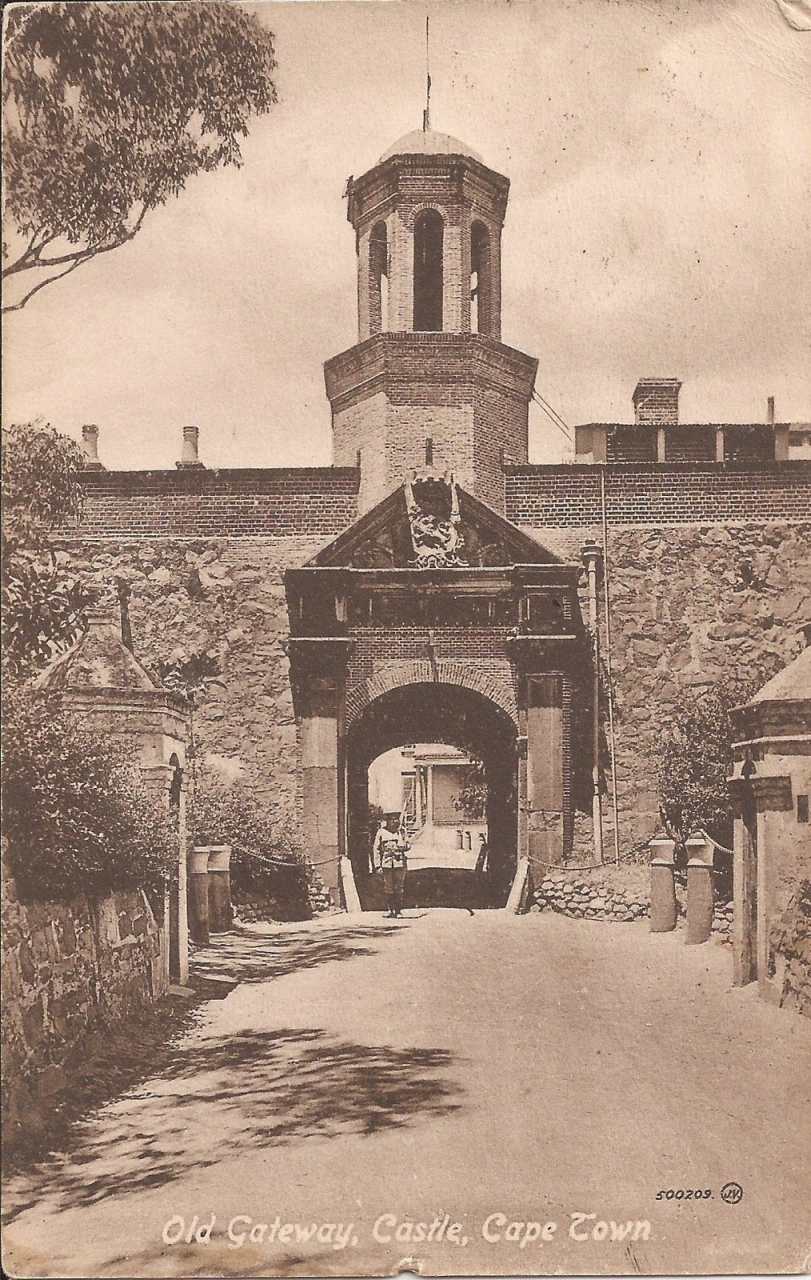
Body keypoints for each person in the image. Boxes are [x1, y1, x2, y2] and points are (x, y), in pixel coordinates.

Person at [373, 813, 410, 918]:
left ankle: (398, 911)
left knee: (399, 887)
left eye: (396, 819)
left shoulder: (402, 831)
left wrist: (403, 844)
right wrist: (377, 865)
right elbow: (376, 849)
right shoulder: (381, 832)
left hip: (399, 863)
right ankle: (390, 910)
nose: (395, 821)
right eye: (392, 819)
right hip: (387, 863)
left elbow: (408, 846)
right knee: (388, 887)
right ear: (388, 821)